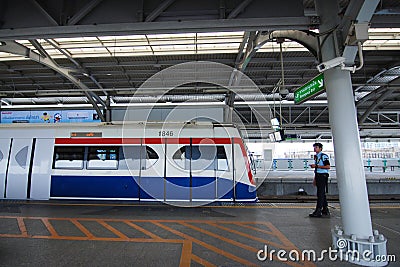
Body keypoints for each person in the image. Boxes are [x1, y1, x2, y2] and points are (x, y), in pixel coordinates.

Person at [309, 142, 331, 218]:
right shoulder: (317, 157)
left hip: (322, 176)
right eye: (314, 147)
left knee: (320, 194)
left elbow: (328, 166)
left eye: (316, 147)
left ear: (320, 148)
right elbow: (316, 169)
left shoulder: (323, 156)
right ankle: (325, 209)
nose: (315, 149)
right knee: (322, 193)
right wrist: (315, 179)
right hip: (318, 176)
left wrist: (317, 166)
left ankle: (318, 210)